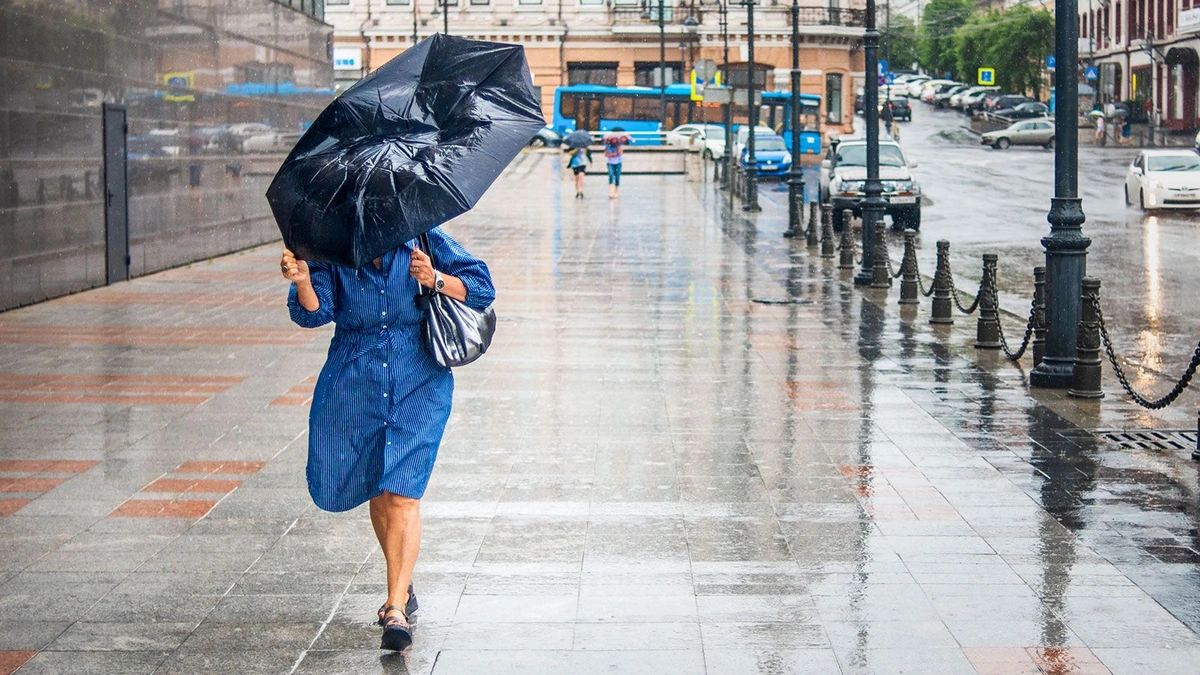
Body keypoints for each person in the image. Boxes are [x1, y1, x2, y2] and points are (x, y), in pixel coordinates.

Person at [279, 231, 494, 652]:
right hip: (353, 381)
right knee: (380, 485)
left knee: (402, 493)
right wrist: (303, 280)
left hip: (420, 377)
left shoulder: (424, 238)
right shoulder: (330, 247)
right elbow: (314, 313)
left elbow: (482, 287)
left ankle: (395, 606)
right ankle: (402, 579)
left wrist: (435, 278)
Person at [603, 128, 633, 199]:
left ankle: (616, 192)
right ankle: (611, 191)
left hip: (618, 162)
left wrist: (617, 147)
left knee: (617, 176)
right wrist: (612, 154)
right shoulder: (607, 145)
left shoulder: (619, 145)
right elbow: (605, 155)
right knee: (610, 175)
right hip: (610, 162)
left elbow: (621, 153)